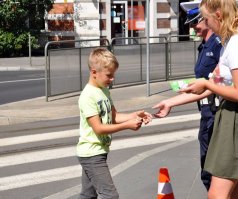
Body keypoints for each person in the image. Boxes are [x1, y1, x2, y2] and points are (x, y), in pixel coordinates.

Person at [180, 0, 238, 198]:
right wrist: (171, 102)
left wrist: (207, 84)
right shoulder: (235, 40)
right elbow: (220, 84)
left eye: (206, 19)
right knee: (235, 190)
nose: (205, 24)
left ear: (218, 16)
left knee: (217, 194)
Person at [153, 1, 222, 191]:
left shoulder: (218, 45)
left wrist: (174, 101)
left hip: (216, 111)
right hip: (206, 109)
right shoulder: (203, 46)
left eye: (195, 23)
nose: (192, 28)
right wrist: (190, 86)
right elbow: (205, 78)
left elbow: (217, 83)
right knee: (207, 165)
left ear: (206, 20)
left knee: (213, 169)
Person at [77, 48, 152, 199]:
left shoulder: (103, 90)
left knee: (87, 195)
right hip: (92, 153)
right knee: (110, 195)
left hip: (98, 151)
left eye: (113, 75)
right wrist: (128, 125)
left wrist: (134, 115)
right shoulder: (87, 96)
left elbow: (114, 116)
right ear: (94, 73)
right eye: (109, 75)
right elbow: (98, 128)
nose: (112, 79)